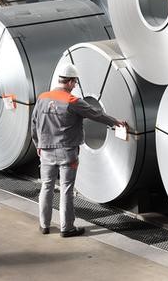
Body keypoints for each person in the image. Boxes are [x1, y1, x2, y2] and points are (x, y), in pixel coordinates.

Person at [30, 63, 126, 237]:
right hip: (67, 152)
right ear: (70, 81)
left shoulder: (42, 97)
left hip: (45, 151)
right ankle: (67, 228)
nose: (75, 86)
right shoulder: (72, 101)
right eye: (75, 83)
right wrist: (115, 122)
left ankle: (44, 225)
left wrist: (38, 144)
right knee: (66, 189)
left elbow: (34, 123)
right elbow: (96, 114)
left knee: (46, 186)